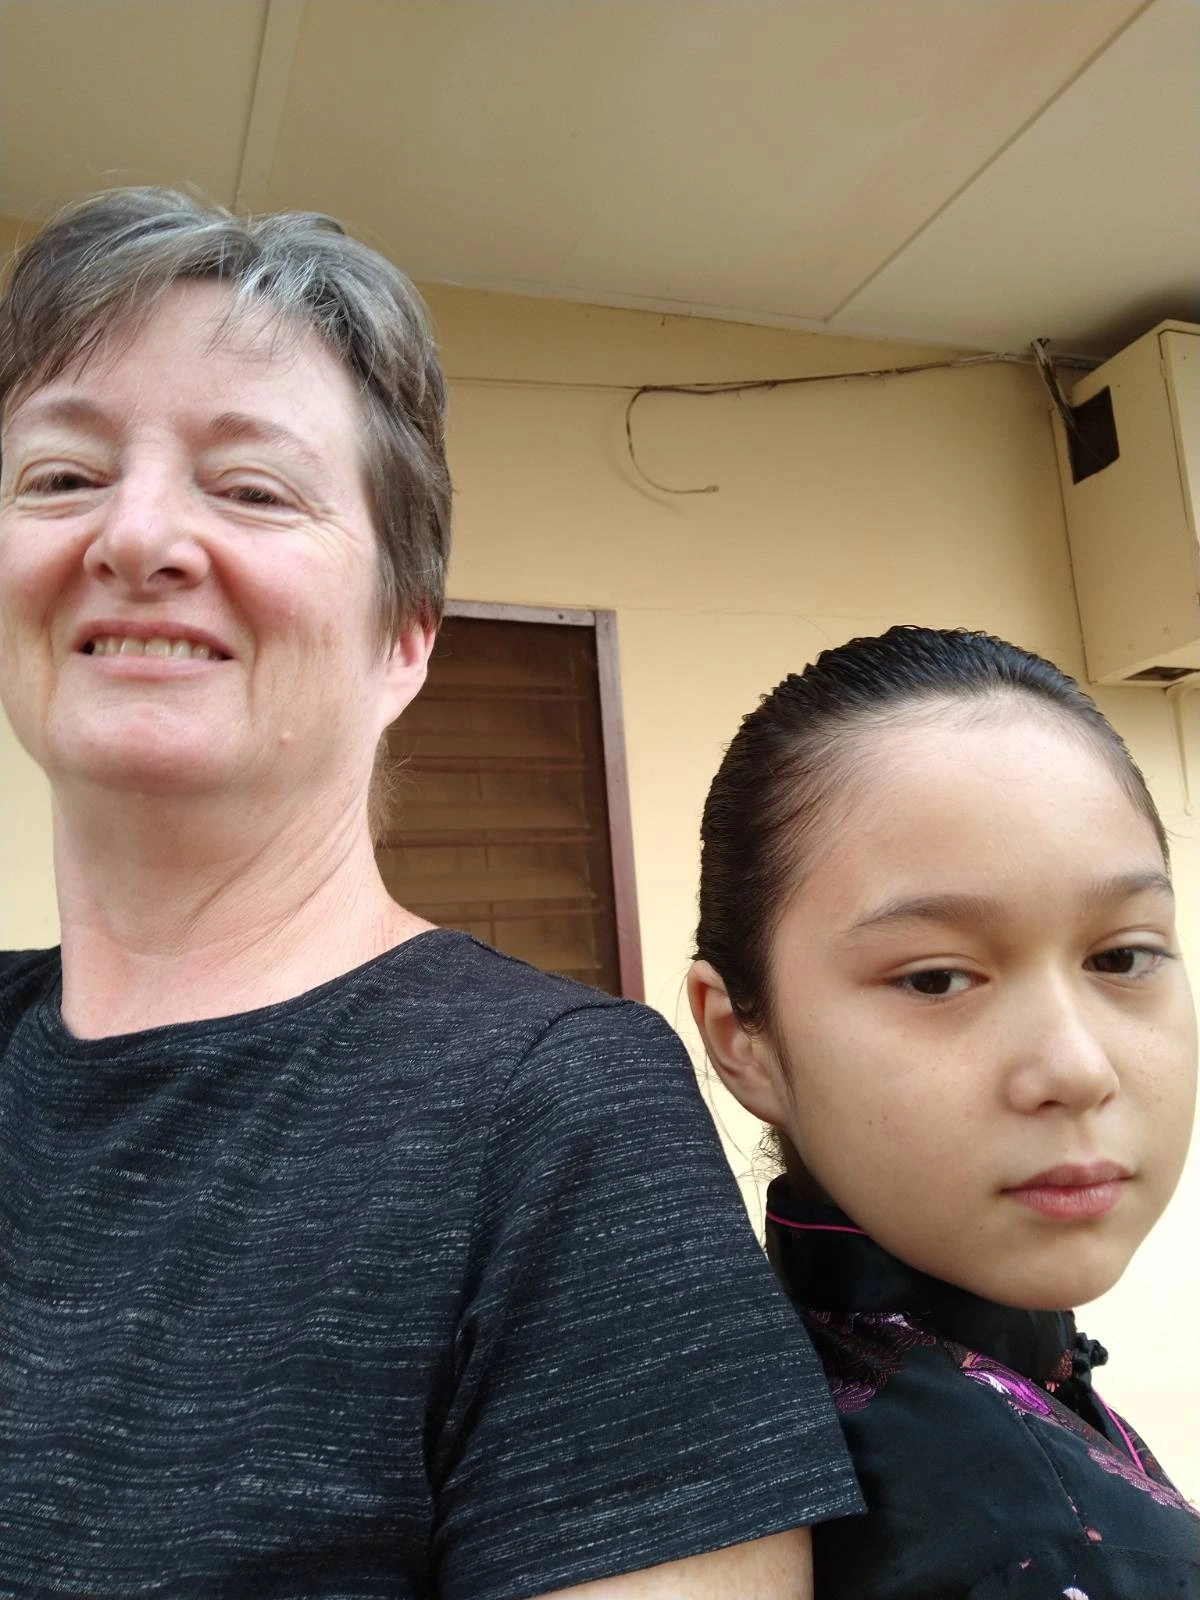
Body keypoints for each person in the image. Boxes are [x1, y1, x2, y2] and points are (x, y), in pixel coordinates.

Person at [0, 188, 862, 1598]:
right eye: (60, 476)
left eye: (251, 486)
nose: (136, 534)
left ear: (404, 638)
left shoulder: (558, 1114)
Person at [689, 626, 1200, 1597]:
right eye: (935, 977)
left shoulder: (762, 1376)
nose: (1076, 1068)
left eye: (1121, 956)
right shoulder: (1043, 1552)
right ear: (740, 1035)